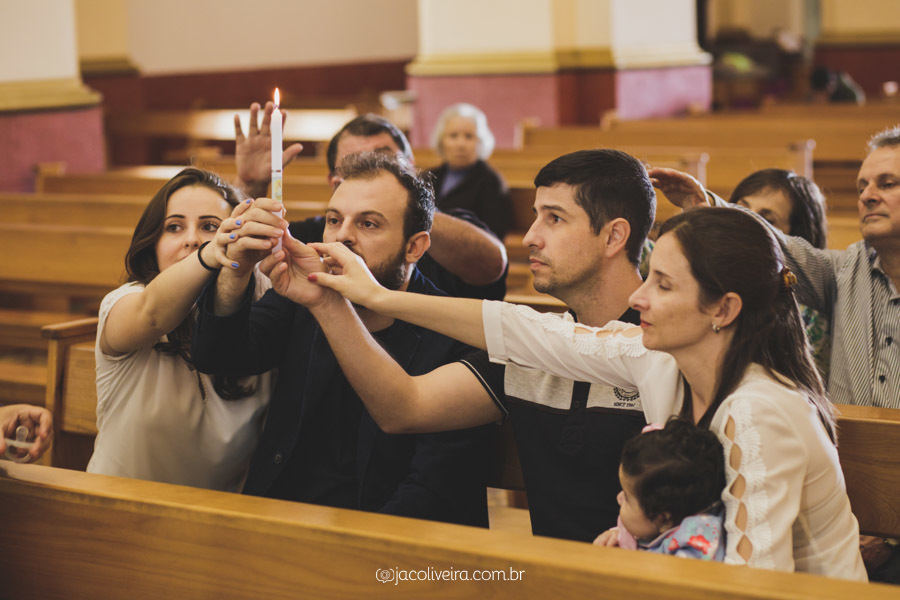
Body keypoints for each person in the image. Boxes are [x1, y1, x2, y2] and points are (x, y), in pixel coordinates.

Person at [308, 207, 866, 580]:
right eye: (649, 277)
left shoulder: (758, 411)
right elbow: (528, 330)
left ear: (723, 309)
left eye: (664, 285)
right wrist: (378, 298)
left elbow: (752, 580)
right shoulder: (661, 362)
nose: (640, 298)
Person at [248, 149, 654, 542]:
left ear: (614, 235)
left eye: (554, 219)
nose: (530, 237)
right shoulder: (534, 344)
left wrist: (374, 296)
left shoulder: (664, 344)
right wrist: (329, 301)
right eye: (535, 217)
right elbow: (404, 407)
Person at [190, 153, 490, 528]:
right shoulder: (302, 295)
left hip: (391, 551)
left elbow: (431, 493)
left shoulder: (455, 336)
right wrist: (237, 271)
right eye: (334, 220)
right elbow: (218, 357)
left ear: (415, 247)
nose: (342, 235)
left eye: (368, 223)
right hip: (281, 523)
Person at [652, 125, 900, 410]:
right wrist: (707, 205)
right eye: (862, 187)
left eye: (887, 183)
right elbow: (775, 246)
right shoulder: (847, 269)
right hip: (849, 449)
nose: (867, 196)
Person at [88, 168, 273, 492]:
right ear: (153, 244)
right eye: (174, 227)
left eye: (209, 226)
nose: (191, 238)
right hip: (115, 512)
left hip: (217, 524)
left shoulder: (263, 314)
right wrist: (211, 250)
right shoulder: (125, 302)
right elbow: (154, 313)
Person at [234, 103, 508, 300]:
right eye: (354, 166)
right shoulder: (316, 237)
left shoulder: (446, 228)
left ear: (412, 168)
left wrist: (409, 208)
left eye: (386, 160)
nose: (373, 172)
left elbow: (492, 266)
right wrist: (252, 187)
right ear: (334, 184)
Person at [728, 169, 830, 374]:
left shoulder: (808, 313)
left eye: (768, 220)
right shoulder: (715, 275)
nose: (745, 222)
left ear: (795, 241)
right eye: (741, 209)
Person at [593, 418, 726, 562]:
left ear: (662, 519)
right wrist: (617, 535)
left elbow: (661, 582)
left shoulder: (696, 543)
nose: (619, 498)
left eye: (627, 497)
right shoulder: (654, 521)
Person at [427, 103, 513, 239]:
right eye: (453, 136)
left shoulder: (491, 182)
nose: (460, 144)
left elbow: (494, 235)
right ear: (441, 140)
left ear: (480, 142)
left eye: (468, 136)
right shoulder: (428, 177)